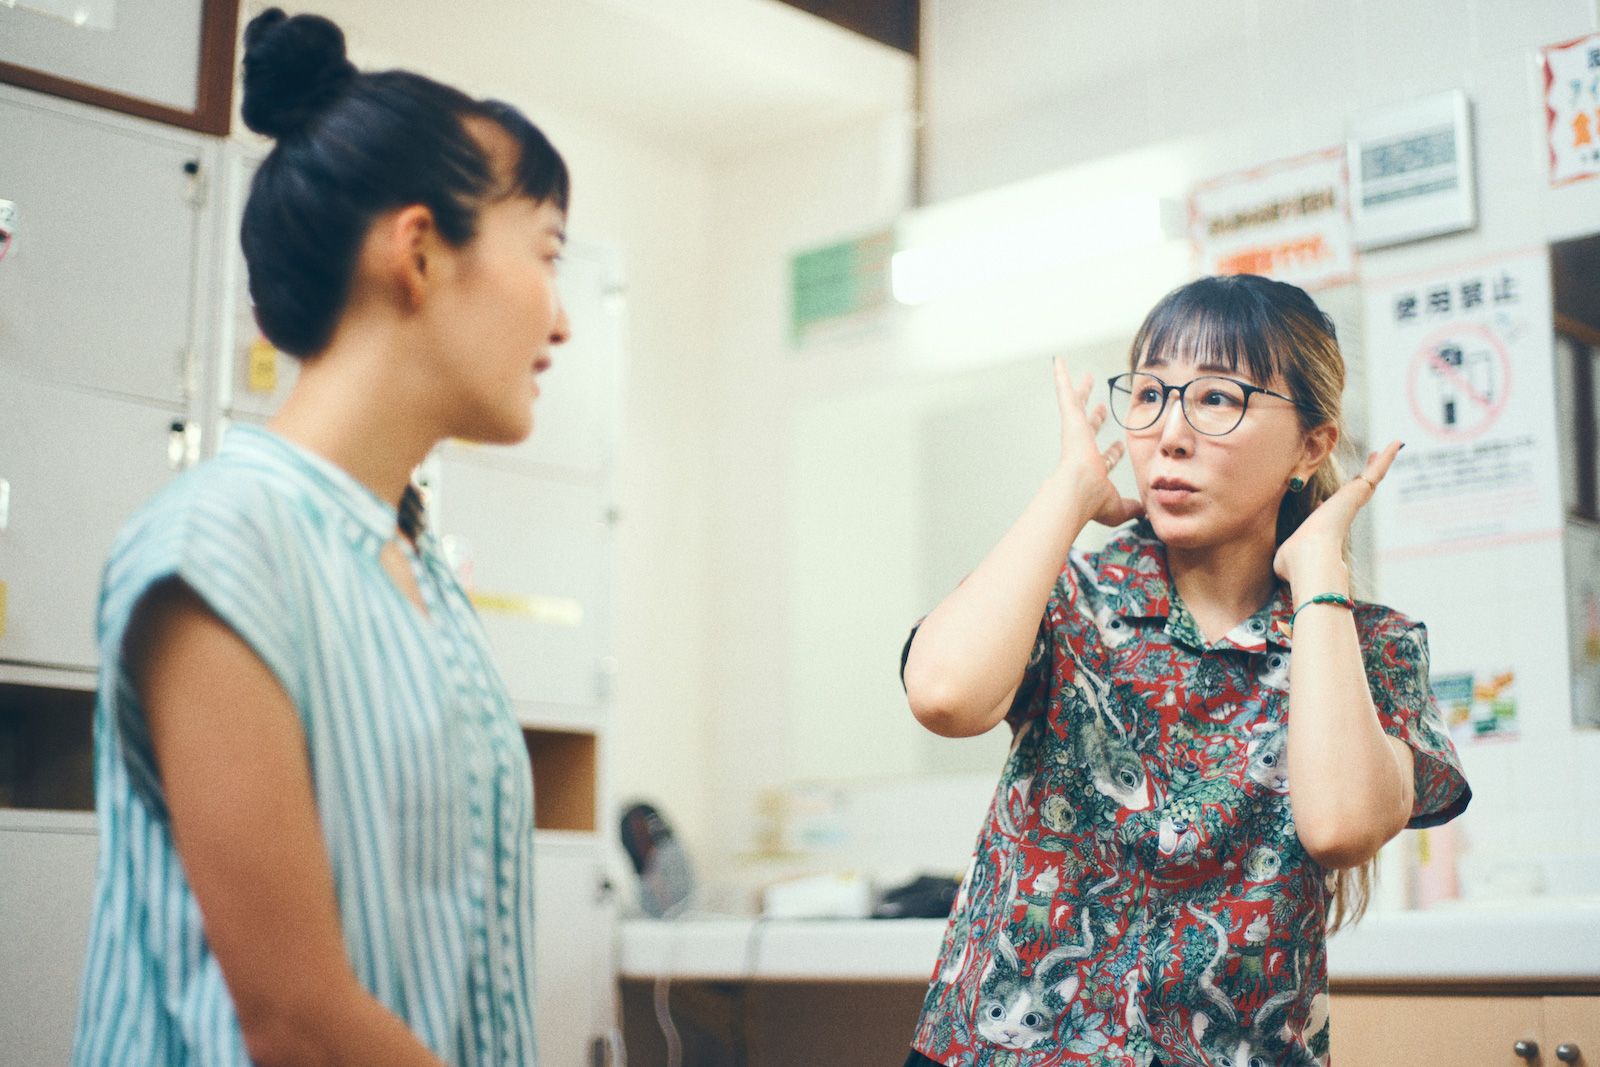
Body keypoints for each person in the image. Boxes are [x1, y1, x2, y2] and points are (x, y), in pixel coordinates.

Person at [71, 10, 571, 1066]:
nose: (563, 322)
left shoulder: (414, 566)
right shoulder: (224, 541)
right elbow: (298, 1020)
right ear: (422, 250)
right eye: (547, 253)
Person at [899, 275, 1469, 1067]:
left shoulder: (1369, 646)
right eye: (1151, 396)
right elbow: (943, 693)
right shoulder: (1073, 598)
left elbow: (1339, 827)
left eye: (1216, 398)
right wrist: (1068, 491)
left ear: (1311, 442)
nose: (1169, 433)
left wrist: (1317, 574)